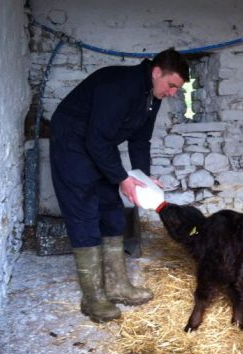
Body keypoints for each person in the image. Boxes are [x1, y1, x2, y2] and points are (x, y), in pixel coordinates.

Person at [49, 47, 189, 322]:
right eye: (171, 85)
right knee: (85, 212)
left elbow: (140, 140)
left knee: (111, 211)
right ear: (156, 72)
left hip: (98, 146)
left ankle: (116, 285)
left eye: (177, 89)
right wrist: (123, 178)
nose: (173, 92)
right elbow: (96, 139)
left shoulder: (152, 95)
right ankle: (94, 297)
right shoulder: (120, 85)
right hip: (72, 146)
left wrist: (143, 179)